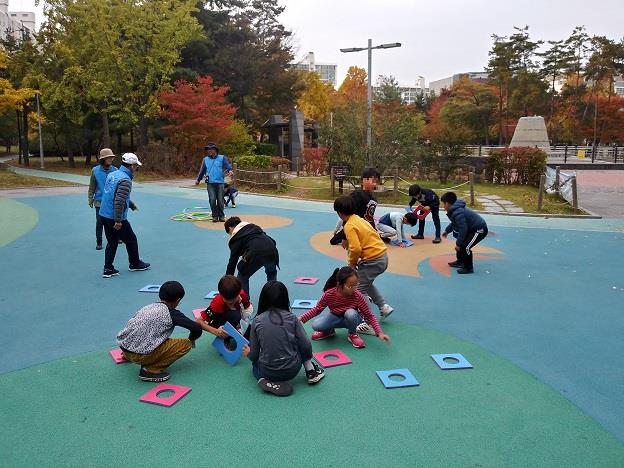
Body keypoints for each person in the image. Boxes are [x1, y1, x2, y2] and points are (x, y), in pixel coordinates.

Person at [242, 281, 325, 396]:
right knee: (299, 342)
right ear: (285, 299)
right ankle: (310, 370)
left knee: (255, 365)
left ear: (263, 299)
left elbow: (254, 355)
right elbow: (306, 345)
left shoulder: (257, 321)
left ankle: (263, 380)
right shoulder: (292, 318)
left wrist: (248, 354)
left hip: (268, 372)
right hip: (292, 370)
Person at [117, 281, 202, 382]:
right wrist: (192, 339)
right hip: (139, 355)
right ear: (178, 300)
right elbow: (196, 328)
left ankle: (129, 356)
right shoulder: (172, 313)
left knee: (152, 335)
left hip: (125, 348)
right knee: (186, 344)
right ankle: (150, 370)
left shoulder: (148, 307)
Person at [333, 195, 394, 319]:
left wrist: (351, 263)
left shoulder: (349, 225)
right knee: (366, 284)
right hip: (382, 256)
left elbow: (356, 248)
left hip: (373, 260)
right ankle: (383, 306)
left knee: (359, 289)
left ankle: (367, 319)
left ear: (339, 213)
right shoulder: (359, 219)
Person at [299, 266, 391, 348]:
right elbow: (317, 309)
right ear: (340, 284)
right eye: (351, 286)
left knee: (350, 313)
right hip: (336, 317)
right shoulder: (329, 294)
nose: (355, 289)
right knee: (316, 325)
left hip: (353, 318)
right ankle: (329, 331)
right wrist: (301, 319)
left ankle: (352, 334)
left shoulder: (357, 295)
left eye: (356, 285)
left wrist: (380, 333)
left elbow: (369, 315)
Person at [98, 152, 150, 278]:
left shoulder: (113, 174)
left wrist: (130, 204)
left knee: (112, 241)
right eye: (136, 166)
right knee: (131, 239)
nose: (136, 168)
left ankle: (108, 268)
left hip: (104, 214)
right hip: (114, 216)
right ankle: (135, 263)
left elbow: (112, 194)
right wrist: (118, 220)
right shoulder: (125, 180)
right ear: (131, 166)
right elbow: (119, 200)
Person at [224, 216, 279, 294]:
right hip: (272, 249)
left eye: (229, 234)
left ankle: (245, 302)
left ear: (230, 228)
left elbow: (232, 261)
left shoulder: (236, 237)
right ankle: (274, 295)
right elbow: (271, 240)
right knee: (271, 272)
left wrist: (227, 281)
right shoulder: (254, 228)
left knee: (242, 274)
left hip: (256, 252)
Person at [440, 191, 489, 274]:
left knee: (465, 247)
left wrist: (458, 244)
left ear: (448, 203)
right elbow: (454, 223)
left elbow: (463, 229)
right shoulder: (454, 210)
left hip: (479, 230)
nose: (443, 206)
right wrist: (447, 231)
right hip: (471, 229)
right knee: (461, 244)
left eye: (443, 204)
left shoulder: (458, 212)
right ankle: (460, 262)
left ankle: (468, 268)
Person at [330, 167, 380, 245]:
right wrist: (345, 237)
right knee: (333, 241)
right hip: (354, 225)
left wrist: (374, 229)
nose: (375, 184)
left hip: (365, 227)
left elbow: (370, 216)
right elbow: (348, 214)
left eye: (376, 182)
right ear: (363, 181)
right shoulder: (357, 195)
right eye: (373, 181)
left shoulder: (373, 198)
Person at [194, 142, 233, 222]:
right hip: (210, 183)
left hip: (220, 183)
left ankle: (221, 216)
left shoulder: (222, 158)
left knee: (220, 200)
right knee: (212, 199)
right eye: (208, 149)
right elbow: (202, 171)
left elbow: (228, 166)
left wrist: (230, 170)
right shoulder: (205, 160)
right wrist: (198, 180)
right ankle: (214, 215)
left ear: (215, 150)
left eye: (211, 149)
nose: (209, 151)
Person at [88, 148, 118, 250]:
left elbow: (118, 187)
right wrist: (90, 199)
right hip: (99, 201)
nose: (110, 159)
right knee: (100, 221)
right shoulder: (95, 171)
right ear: (102, 159)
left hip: (112, 201)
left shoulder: (115, 170)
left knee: (114, 220)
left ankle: (117, 237)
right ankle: (99, 241)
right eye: (108, 158)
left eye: (111, 158)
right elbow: (92, 186)